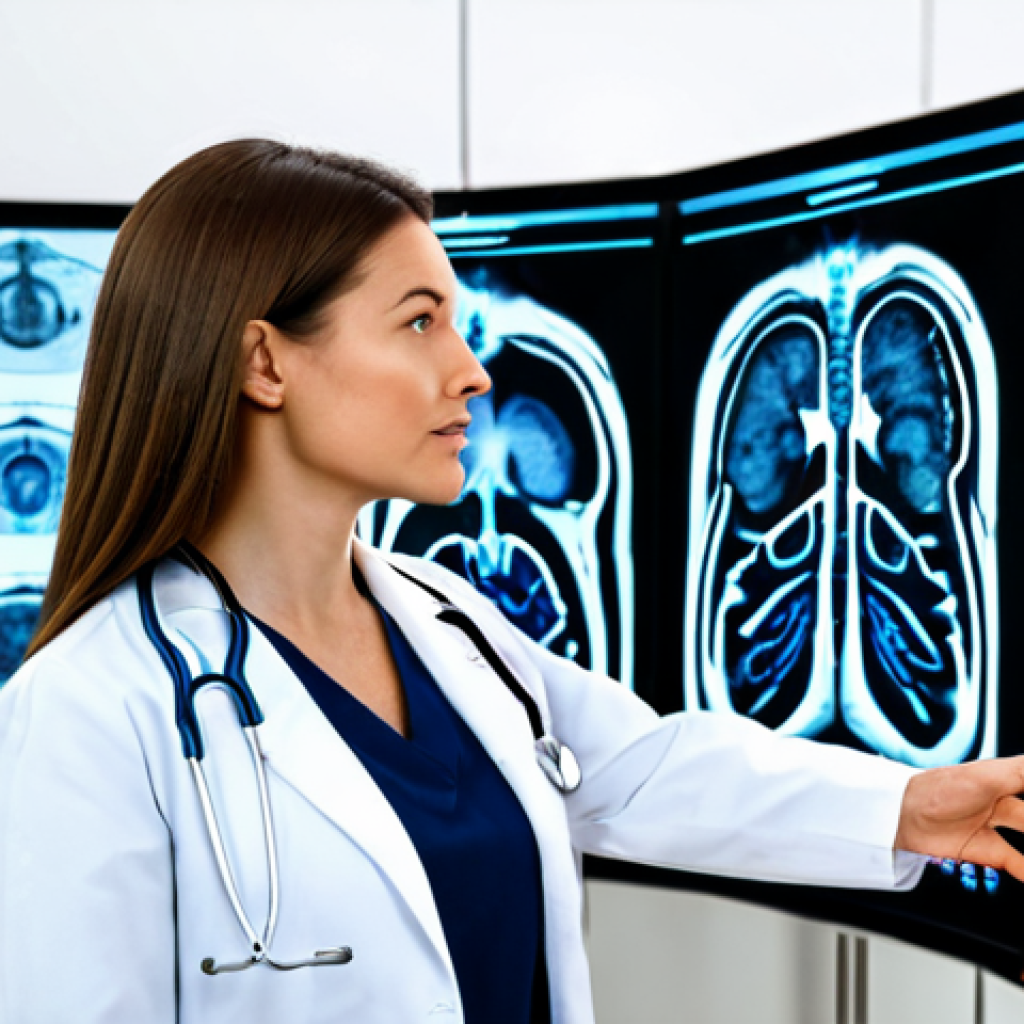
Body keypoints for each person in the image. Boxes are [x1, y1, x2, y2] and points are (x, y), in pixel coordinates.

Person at [1, 140, 1022, 1024]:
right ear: (265, 364)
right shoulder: (91, 711)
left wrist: (912, 806)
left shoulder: (445, 623)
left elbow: (642, 771)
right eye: (418, 322)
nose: (473, 370)